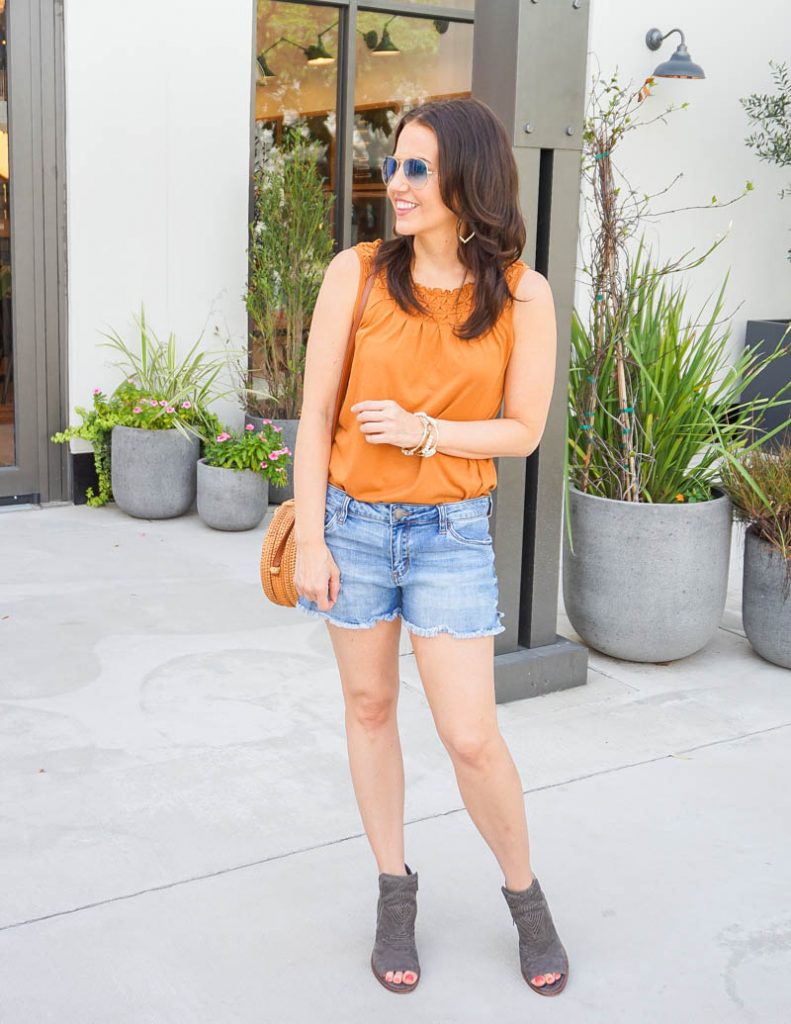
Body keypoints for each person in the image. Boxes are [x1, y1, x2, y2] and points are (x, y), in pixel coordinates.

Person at [292, 97, 568, 997]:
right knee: (370, 709)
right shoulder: (359, 274)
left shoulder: (522, 292)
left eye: (416, 168)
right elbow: (314, 418)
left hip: (451, 533)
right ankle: (392, 891)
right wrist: (309, 539)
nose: (395, 184)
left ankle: (525, 899)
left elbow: (523, 431)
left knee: (470, 736)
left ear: (467, 181)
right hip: (353, 526)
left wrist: (423, 433)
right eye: (394, 165)